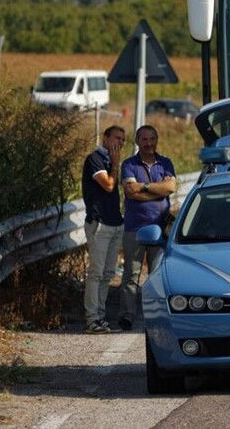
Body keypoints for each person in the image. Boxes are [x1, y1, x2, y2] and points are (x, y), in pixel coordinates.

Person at [118, 125, 177, 331]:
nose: (149, 143)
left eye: (152, 139)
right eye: (144, 139)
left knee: (157, 275)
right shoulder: (128, 164)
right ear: (137, 141)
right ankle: (128, 315)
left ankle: (156, 315)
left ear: (157, 139)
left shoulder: (166, 163)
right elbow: (130, 192)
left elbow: (171, 187)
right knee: (131, 274)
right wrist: (158, 190)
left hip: (160, 227)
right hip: (134, 226)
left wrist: (143, 186)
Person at [81, 125, 126, 334]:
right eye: (116, 138)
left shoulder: (110, 162)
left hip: (115, 222)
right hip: (99, 223)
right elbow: (108, 185)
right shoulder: (95, 159)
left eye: (123, 140)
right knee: (96, 273)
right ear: (105, 138)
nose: (119, 143)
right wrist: (115, 165)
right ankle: (92, 319)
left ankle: (100, 316)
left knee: (108, 273)